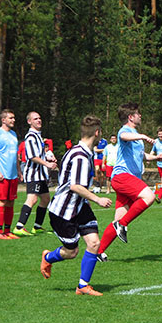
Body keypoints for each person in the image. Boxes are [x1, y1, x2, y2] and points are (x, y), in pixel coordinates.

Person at [40, 115, 113, 296]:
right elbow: (75, 186)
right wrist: (98, 199)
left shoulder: (80, 151)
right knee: (71, 252)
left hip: (79, 206)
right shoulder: (80, 156)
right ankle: (48, 257)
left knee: (94, 243)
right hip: (63, 212)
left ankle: (82, 286)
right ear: (97, 133)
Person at [96, 102, 162, 261]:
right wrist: (143, 136)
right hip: (122, 177)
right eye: (138, 114)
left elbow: (141, 155)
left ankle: (97, 252)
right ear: (131, 117)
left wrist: (156, 157)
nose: (141, 116)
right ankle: (122, 226)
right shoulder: (125, 131)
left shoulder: (136, 136)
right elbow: (123, 137)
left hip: (127, 180)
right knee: (149, 197)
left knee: (117, 219)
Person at [13, 111, 57, 236]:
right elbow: (32, 156)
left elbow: (38, 155)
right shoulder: (31, 136)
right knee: (32, 199)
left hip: (41, 174)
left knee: (45, 198)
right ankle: (19, 226)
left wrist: (48, 159)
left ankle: (37, 226)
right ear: (29, 121)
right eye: (35, 119)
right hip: (33, 174)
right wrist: (47, 164)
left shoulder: (38, 136)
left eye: (39, 118)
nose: (39, 120)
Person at [0, 109, 22, 240]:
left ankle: (7, 230)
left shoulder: (13, 134)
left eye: (13, 118)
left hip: (13, 175)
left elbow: (15, 156)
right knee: (1, 202)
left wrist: (19, 171)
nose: (13, 120)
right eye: (10, 118)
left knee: (11, 203)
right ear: (3, 120)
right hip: (3, 175)